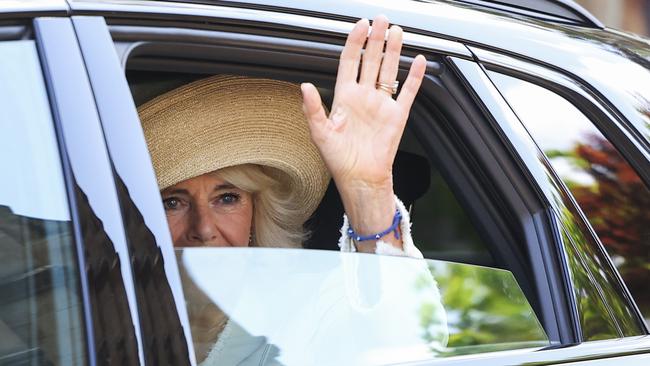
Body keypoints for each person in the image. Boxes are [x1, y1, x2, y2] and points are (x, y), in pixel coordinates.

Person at [139, 14, 443, 364]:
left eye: (227, 198)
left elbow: (408, 348)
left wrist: (368, 194)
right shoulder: (88, 311)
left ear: (258, 213)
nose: (204, 229)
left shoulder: (307, 310)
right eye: (172, 202)